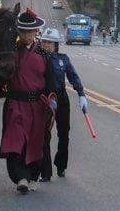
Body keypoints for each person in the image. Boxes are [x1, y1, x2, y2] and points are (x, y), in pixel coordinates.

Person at [0, 9, 58, 194]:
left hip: (37, 106)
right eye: (22, 32)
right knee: (16, 141)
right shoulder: (11, 51)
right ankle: (20, 177)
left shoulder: (43, 54)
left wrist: (52, 100)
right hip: (15, 103)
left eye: (30, 32)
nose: (26, 35)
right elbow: (1, 75)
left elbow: (51, 81)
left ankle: (32, 175)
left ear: (36, 32)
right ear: (18, 33)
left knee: (35, 142)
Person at [37, 27, 87, 180]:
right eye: (44, 41)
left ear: (56, 44)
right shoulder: (38, 58)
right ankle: (45, 172)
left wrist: (81, 94)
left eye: (50, 42)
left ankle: (61, 165)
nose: (46, 44)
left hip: (61, 98)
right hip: (45, 99)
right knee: (44, 135)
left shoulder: (63, 59)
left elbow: (73, 76)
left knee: (64, 133)